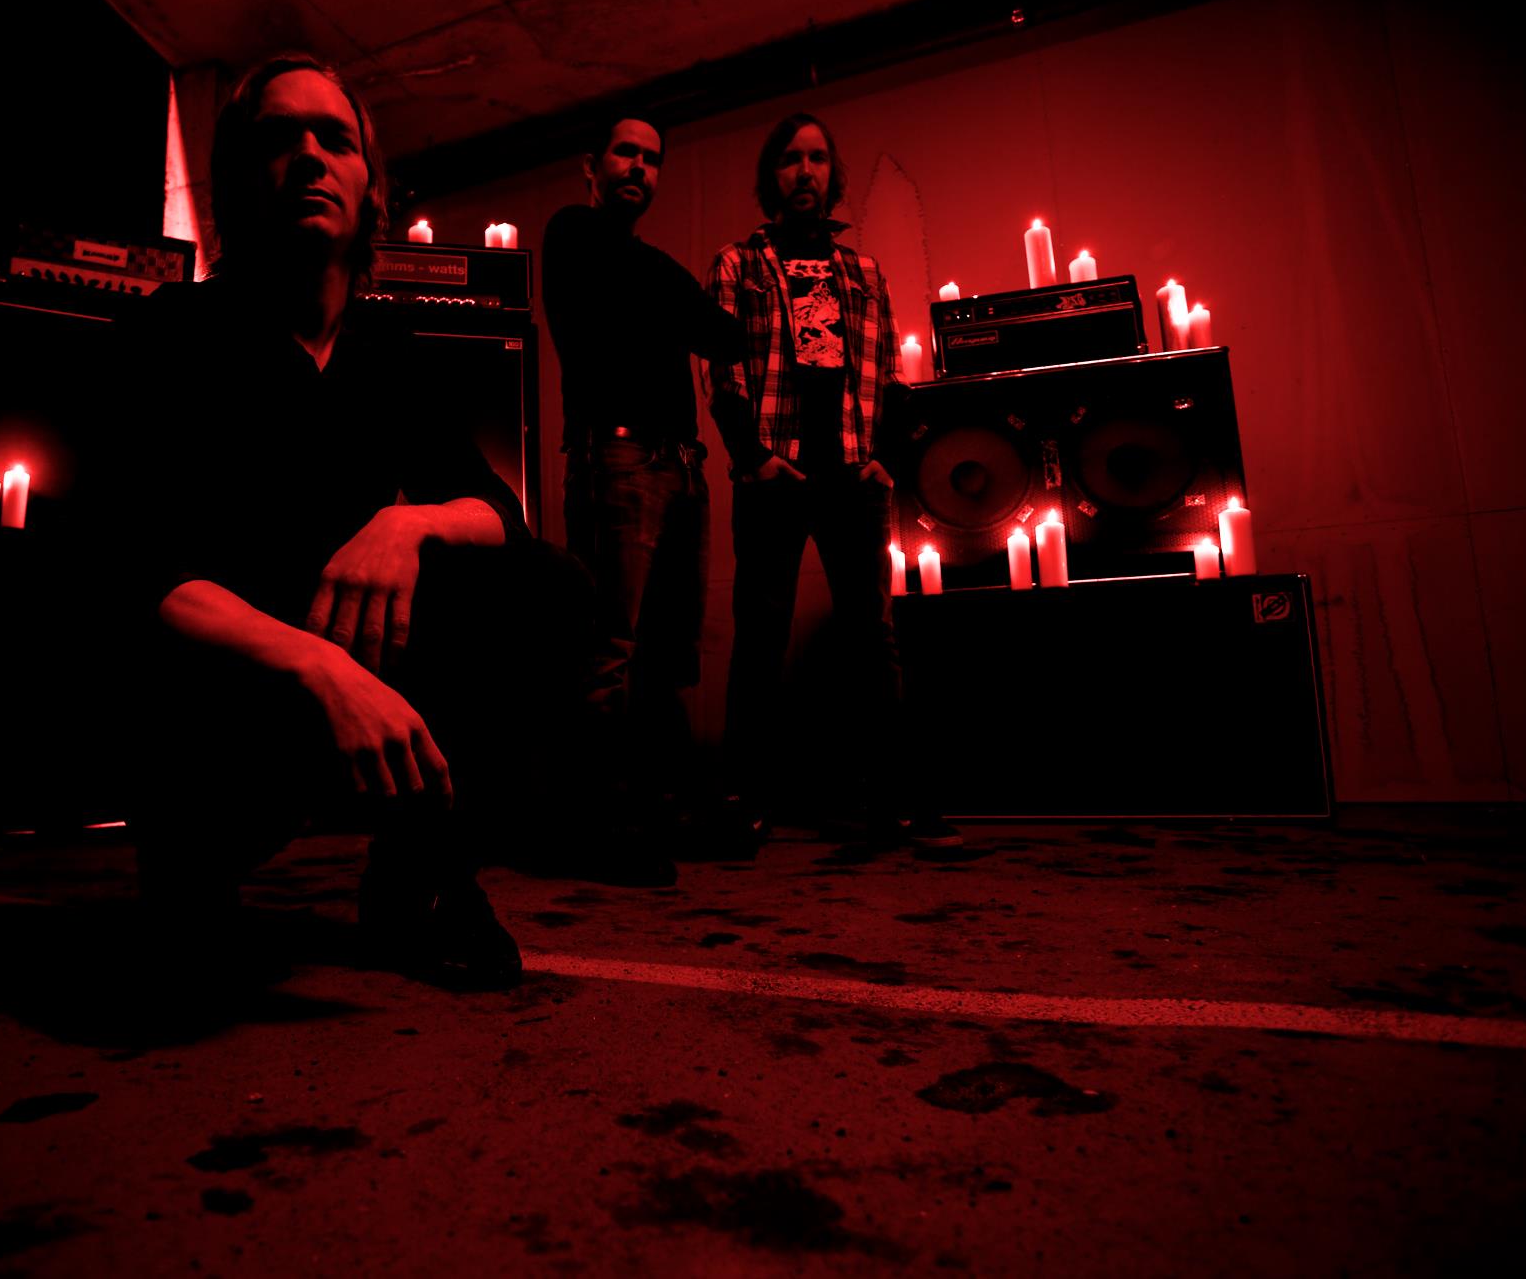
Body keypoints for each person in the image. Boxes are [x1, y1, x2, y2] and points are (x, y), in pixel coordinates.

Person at [88, 53, 593, 995]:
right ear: (237, 181)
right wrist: (319, 668)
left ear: (370, 190)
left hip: (352, 653)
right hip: (225, 692)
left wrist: (409, 527)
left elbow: (501, 512)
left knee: (550, 589)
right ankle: (193, 867)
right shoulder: (170, 332)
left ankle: (419, 876)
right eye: (280, 139)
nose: (311, 157)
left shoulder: (386, 354)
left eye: (336, 139)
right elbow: (131, 566)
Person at [704, 111, 953, 842]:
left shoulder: (863, 273)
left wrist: (886, 460)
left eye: (817, 159)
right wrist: (751, 457)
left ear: (832, 175)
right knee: (761, 635)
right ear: (772, 176)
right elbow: (723, 373)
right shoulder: (737, 264)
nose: (805, 171)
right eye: (791, 159)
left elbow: (894, 373)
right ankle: (742, 798)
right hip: (775, 475)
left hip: (852, 473)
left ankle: (892, 798)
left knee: (873, 636)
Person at [540, 117, 757, 869]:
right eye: (626, 153)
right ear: (592, 164)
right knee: (610, 644)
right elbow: (686, 315)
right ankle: (595, 824)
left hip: (681, 465)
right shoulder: (573, 233)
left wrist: (690, 307)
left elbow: (724, 336)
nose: (640, 167)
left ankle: (666, 808)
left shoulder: (649, 266)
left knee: (670, 651)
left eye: (653, 159)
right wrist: (684, 305)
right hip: (618, 456)